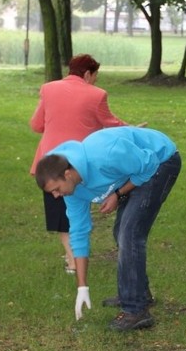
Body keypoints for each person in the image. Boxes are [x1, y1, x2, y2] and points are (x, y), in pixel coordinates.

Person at [34, 127, 181, 331]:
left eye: (56, 189)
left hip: (161, 160)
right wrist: (82, 286)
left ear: (67, 174)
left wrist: (119, 194)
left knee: (129, 233)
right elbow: (79, 233)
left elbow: (149, 164)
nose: (56, 196)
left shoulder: (106, 155)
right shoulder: (73, 192)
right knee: (121, 231)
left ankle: (136, 311)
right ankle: (138, 293)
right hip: (134, 169)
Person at [30, 54, 133, 275]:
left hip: (50, 161)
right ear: (88, 74)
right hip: (83, 162)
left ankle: (72, 259)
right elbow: (111, 124)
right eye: (95, 76)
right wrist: (133, 129)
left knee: (60, 212)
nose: (96, 81)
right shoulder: (97, 95)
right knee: (80, 205)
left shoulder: (48, 89)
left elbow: (36, 124)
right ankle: (85, 254)